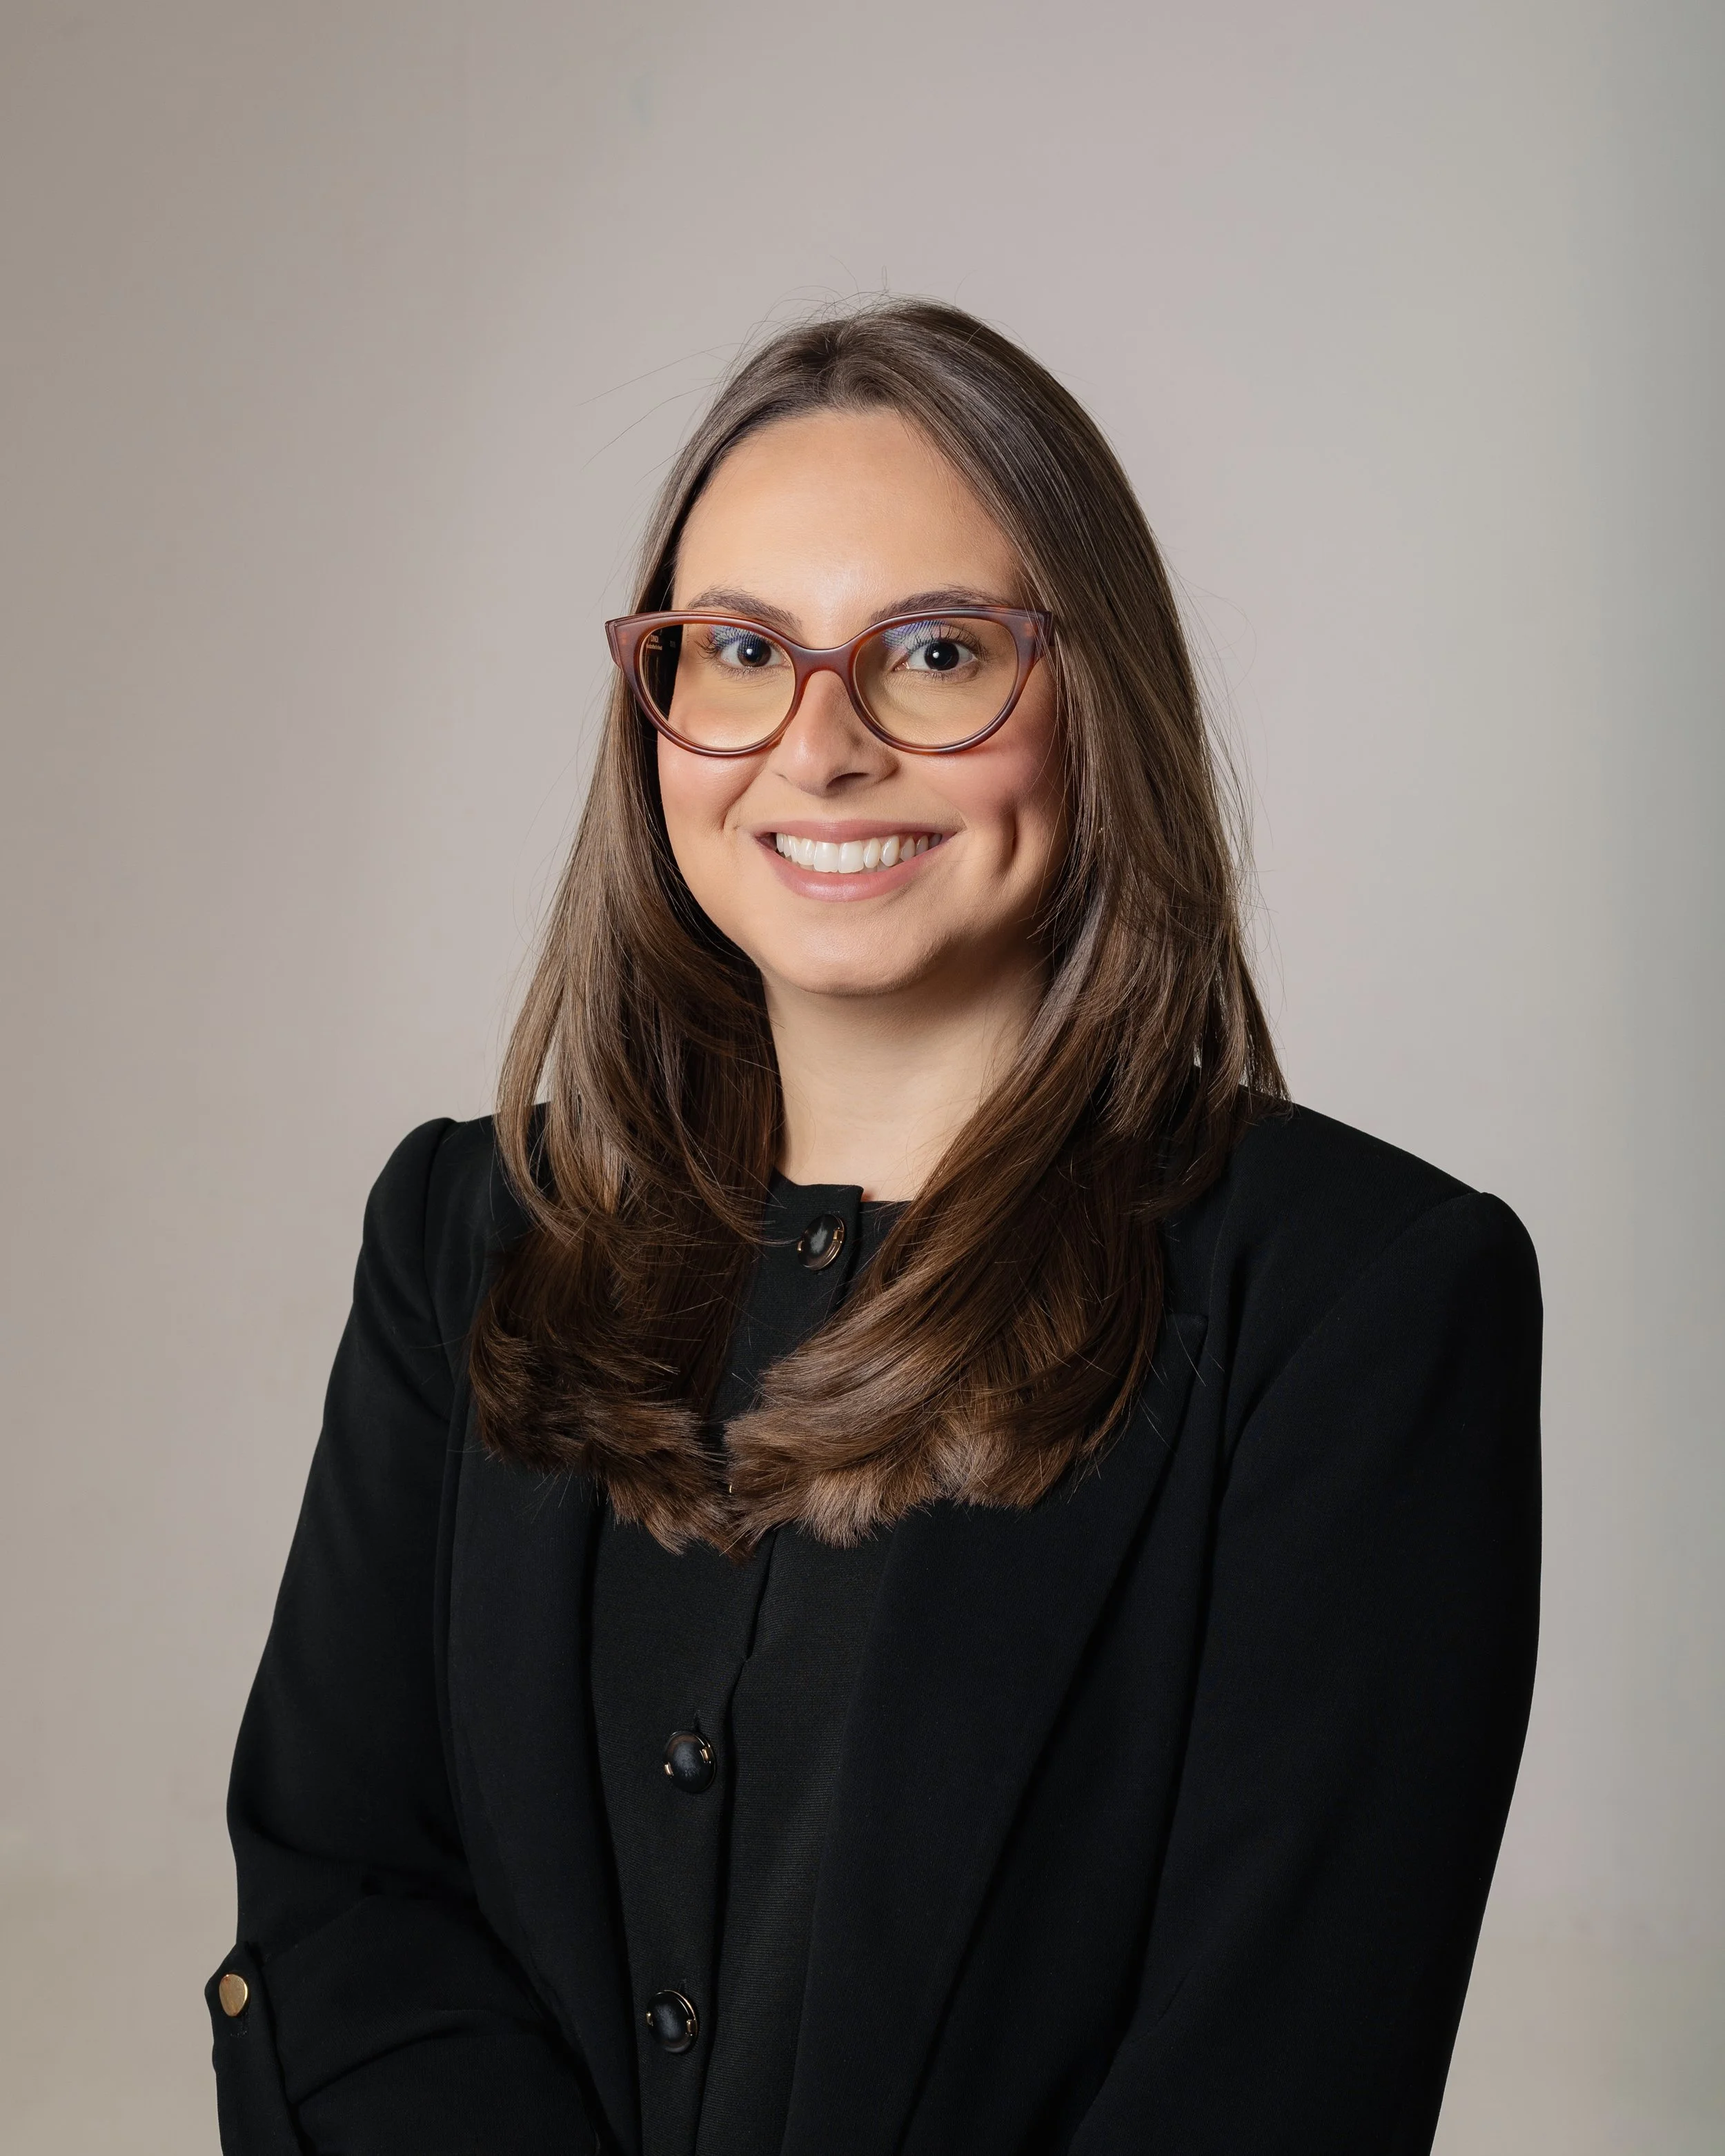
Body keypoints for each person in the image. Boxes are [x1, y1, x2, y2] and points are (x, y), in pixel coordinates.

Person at [207, 299, 1541, 2156]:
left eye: (934, 652)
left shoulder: (1361, 1304)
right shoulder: (468, 1233)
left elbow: (1275, 2071)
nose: (818, 747)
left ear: (1096, 700)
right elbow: (346, 1901)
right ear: (657, 708)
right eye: (741, 650)